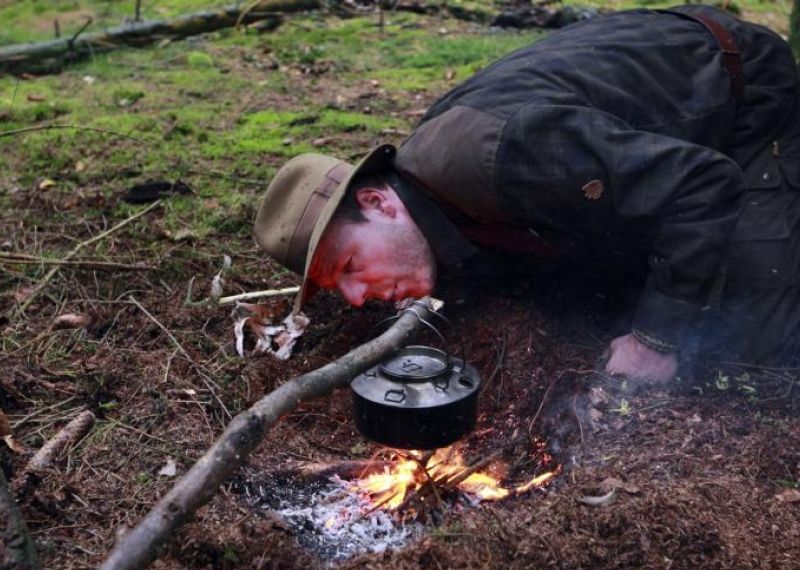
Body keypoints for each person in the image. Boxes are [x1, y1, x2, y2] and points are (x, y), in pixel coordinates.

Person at [253, 4, 800, 384]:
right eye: (338, 287)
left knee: (750, 347)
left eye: (349, 264)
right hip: (650, 144)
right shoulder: (431, 192)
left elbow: (704, 184)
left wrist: (656, 339)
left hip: (743, 98)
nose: (353, 297)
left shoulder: (507, 156)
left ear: (378, 202)